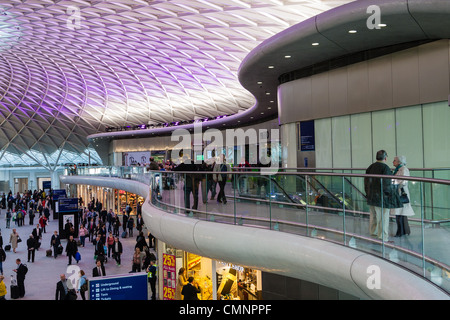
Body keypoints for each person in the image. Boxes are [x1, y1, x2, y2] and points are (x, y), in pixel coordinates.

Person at [364, 150, 403, 242]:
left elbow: (366, 182)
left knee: (373, 216)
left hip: (371, 196)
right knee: (383, 217)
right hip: (382, 197)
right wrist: (389, 195)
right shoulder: (385, 168)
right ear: (385, 158)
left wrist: (367, 193)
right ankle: (383, 237)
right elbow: (387, 184)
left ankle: (373, 233)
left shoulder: (370, 167)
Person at [391, 156, 415, 237]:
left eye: (394, 161)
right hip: (398, 192)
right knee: (399, 213)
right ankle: (402, 230)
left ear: (399, 162)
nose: (393, 162)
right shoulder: (398, 169)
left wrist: (395, 185)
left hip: (401, 192)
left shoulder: (403, 169)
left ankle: (400, 231)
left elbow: (403, 181)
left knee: (400, 213)